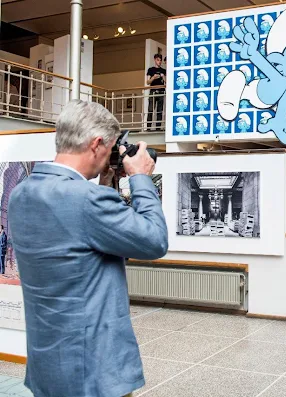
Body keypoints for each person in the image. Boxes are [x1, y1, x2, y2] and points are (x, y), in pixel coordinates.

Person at [7, 100, 168, 397]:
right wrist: (141, 178)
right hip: (93, 370)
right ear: (96, 144)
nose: (109, 159)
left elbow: (82, 240)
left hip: (49, 363)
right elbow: (154, 240)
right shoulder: (87, 200)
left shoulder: (21, 193)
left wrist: (106, 183)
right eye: (108, 151)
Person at [146, 53, 166, 130]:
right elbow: (147, 82)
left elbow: (166, 82)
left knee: (159, 111)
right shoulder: (151, 70)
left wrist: (163, 76)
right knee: (150, 110)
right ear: (155, 60)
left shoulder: (163, 71)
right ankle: (148, 128)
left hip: (161, 91)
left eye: (160, 60)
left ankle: (158, 127)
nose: (159, 62)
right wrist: (153, 77)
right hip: (153, 91)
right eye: (158, 60)